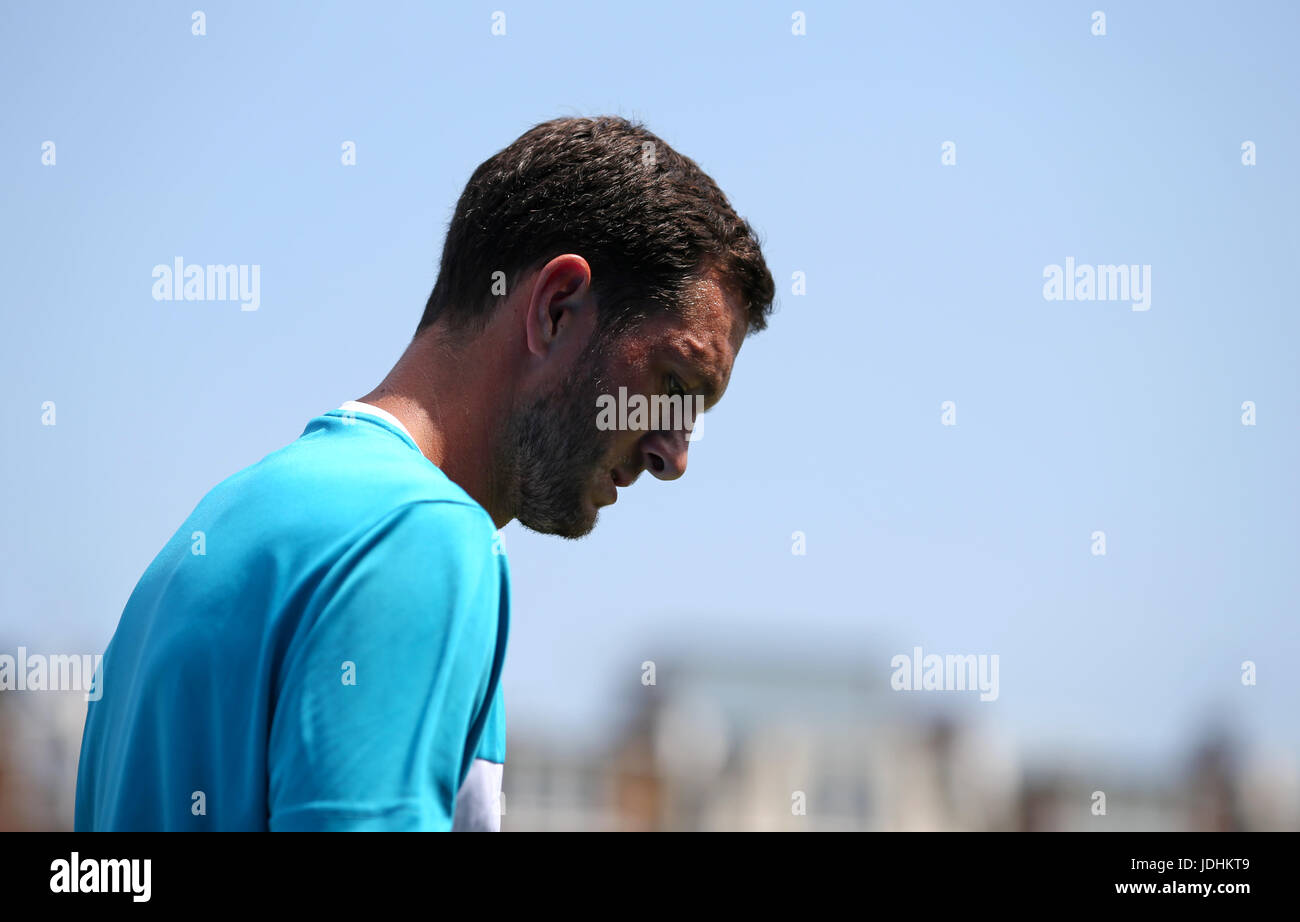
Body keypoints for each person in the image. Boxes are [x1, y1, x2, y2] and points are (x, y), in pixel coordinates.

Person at [75, 115, 775, 831]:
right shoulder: (424, 539)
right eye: (674, 382)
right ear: (557, 310)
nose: (674, 455)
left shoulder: (213, 531)